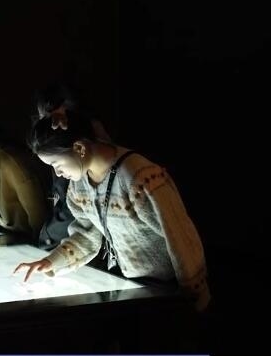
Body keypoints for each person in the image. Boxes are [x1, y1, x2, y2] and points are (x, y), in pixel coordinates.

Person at [14, 111, 210, 311]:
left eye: (56, 164)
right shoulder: (79, 185)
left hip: (166, 289)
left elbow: (180, 238)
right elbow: (86, 234)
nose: (57, 173)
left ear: (80, 148)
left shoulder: (140, 177)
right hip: (128, 284)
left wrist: (194, 296)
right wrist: (50, 262)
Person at [33, 83, 112, 249]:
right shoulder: (78, 175)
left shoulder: (130, 174)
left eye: (50, 122)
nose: (48, 132)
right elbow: (85, 232)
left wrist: (48, 241)